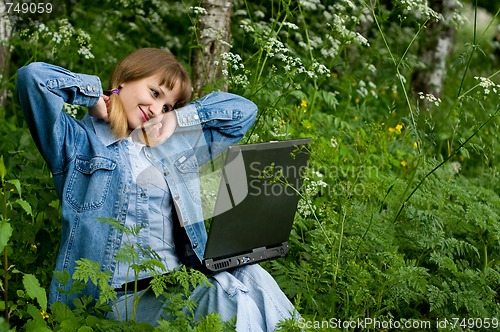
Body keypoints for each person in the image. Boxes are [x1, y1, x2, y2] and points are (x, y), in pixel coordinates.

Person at [16, 48, 297, 331]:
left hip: (178, 281)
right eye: (154, 93)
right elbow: (33, 79)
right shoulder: (77, 144)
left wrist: (178, 119)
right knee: (225, 298)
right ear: (124, 79)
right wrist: (92, 97)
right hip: (116, 297)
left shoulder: (175, 149)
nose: (156, 110)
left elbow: (244, 112)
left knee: (252, 277)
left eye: (166, 106)